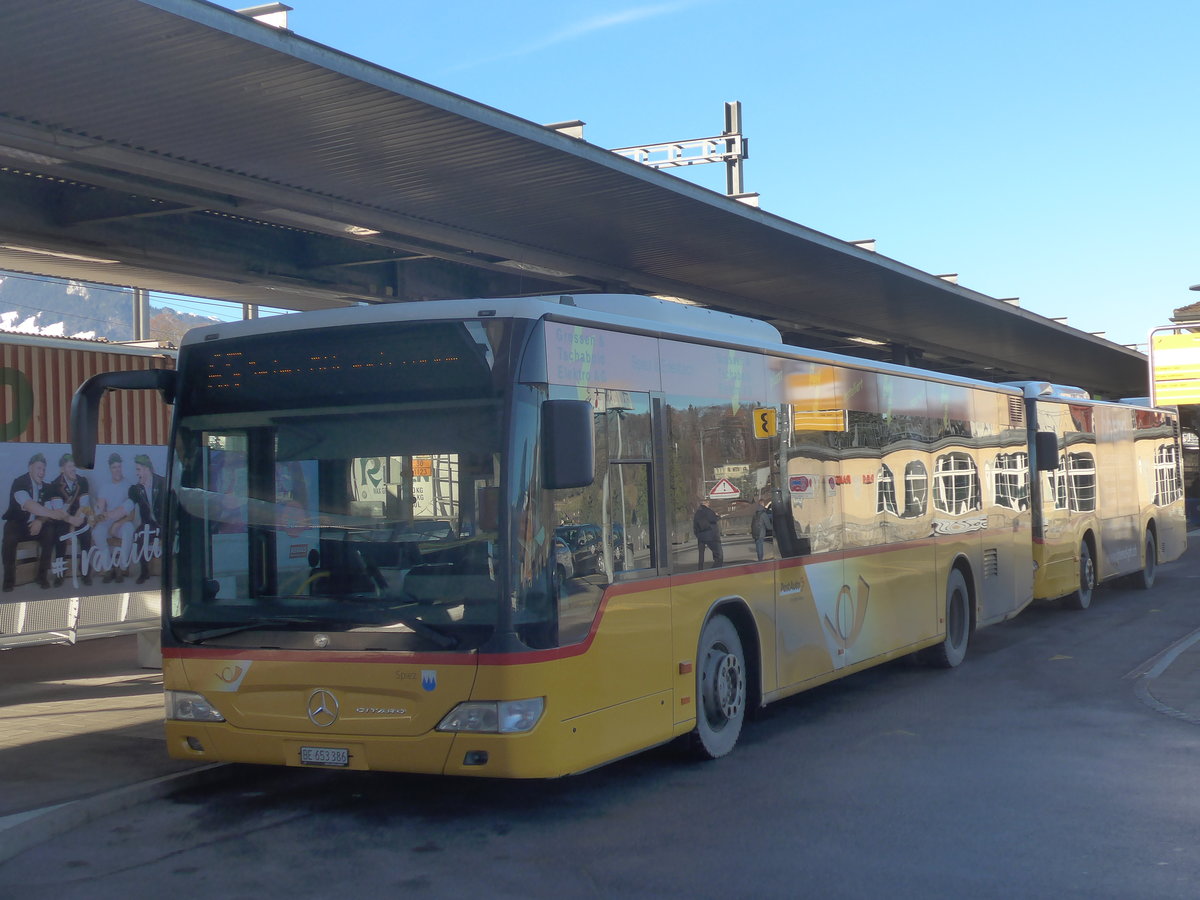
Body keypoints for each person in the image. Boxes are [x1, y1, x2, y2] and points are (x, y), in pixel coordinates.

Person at [1, 452, 60, 591]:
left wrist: (40, 521)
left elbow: (46, 508)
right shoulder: (19, 482)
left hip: (35, 524)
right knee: (9, 538)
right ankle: (8, 580)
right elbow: (29, 505)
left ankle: (42, 576)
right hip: (17, 524)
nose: (42, 472)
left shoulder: (47, 487)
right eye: (39, 468)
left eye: (44, 469)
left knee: (50, 532)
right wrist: (53, 514)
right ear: (30, 468)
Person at [46, 453, 94, 586]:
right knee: (60, 536)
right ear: (62, 469)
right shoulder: (54, 485)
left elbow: (84, 506)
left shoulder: (82, 481)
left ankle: (85, 572)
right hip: (63, 519)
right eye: (70, 466)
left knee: (86, 535)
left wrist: (74, 526)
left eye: (74, 466)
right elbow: (59, 511)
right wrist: (71, 524)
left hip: (79, 516)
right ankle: (60, 574)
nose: (73, 469)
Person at [92, 452, 136, 583]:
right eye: (114, 467)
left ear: (121, 467)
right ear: (110, 469)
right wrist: (96, 515)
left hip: (122, 522)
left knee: (129, 529)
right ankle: (108, 568)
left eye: (119, 467)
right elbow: (100, 507)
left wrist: (117, 524)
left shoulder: (129, 486)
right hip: (108, 520)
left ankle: (122, 568)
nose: (117, 470)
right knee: (97, 532)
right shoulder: (105, 486)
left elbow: (131, 515)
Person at [129, 454, 166, 585]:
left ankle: (167, 570)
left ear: (146, 468)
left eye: (138, 469)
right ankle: (144, 571)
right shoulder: (136, 488)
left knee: (171, 538)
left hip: (165, 522)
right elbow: (128, 506)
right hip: (149, 524)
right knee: (139, 535)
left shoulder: (162, 483)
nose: (137, 473)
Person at [693, 497, 723, 570]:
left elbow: (695, 526)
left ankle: (700, 569)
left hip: (700, 537)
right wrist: (717, 516)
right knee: (719, 555)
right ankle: (715, 570)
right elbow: (714, 519)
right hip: (711, 536)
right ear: (706, 503)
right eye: (708, 502)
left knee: (701, 555)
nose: (709, 504)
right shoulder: (708, 511)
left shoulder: (697, 513)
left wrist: (697, 535)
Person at [751, 496, 772, 562]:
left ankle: (759, 558)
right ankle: (760, 560)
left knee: (758, 545)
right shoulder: (763, 514)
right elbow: (768, 526)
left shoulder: (755, 513)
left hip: (755, 532)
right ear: (763, 504)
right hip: (761, 533)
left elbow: (752, 523)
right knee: (760, 545)